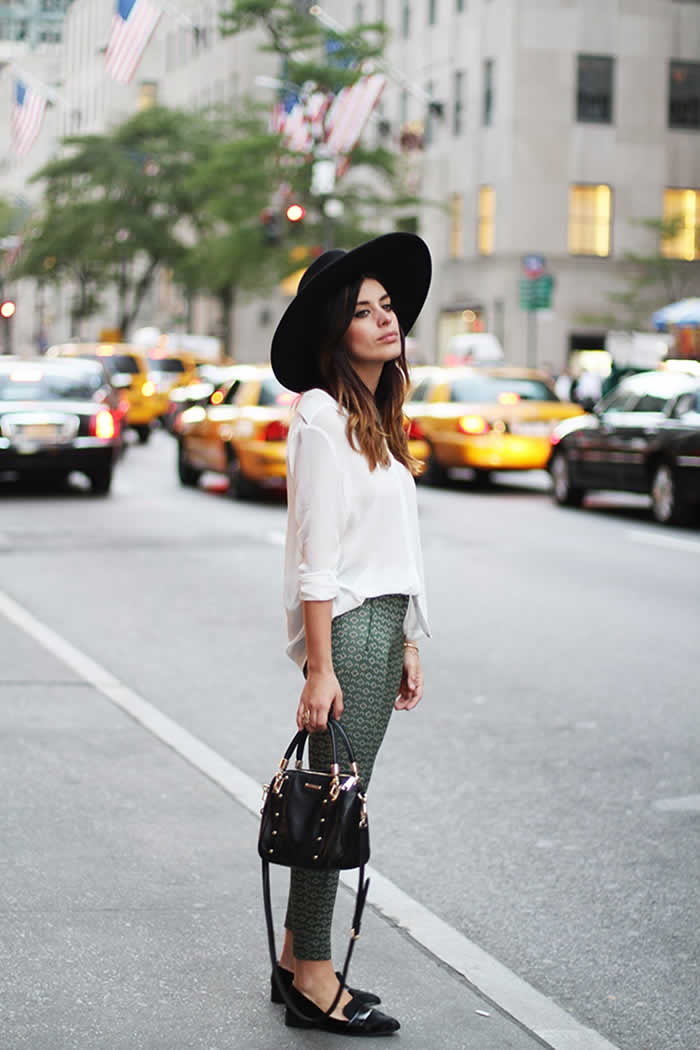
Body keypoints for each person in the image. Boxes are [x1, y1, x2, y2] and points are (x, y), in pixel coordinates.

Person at [269, 233, 432, 1036]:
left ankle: (297, 956)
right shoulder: (322, 417)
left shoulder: (375, 418)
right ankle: (314, 979)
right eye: (363, 312)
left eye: (388, 306)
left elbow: (390, 549)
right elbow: (317, 557)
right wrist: (321, 668)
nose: (383, 319)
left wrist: (406, 641)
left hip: (378, 630)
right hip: (349, 636)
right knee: (337, 809)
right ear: (336, 334)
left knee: (335, 802)